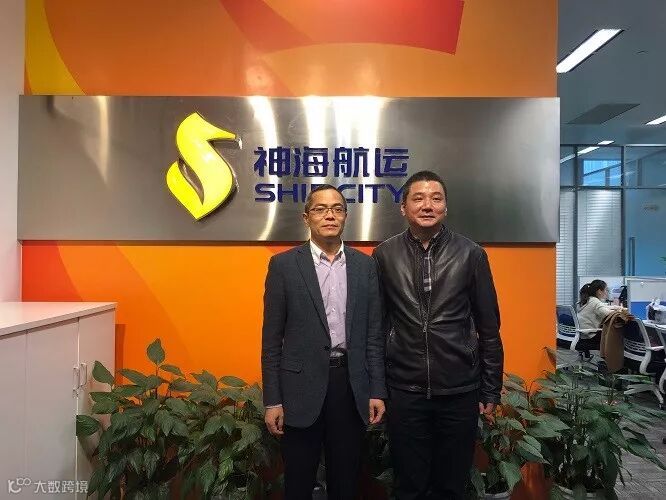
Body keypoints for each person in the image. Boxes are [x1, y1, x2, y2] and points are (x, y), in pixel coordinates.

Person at [373, 170, 503, 500]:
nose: (427, 205)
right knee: (409, 485)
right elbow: (376, 327)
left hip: (459, 388)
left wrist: (491, 388)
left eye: (436, 198)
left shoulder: (471, 254)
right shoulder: (384, 254)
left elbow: (489, 328)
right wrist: (377, 386)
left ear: (446, 207)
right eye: (418, 198)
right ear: (403, 207)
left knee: (452, 485)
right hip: (404, 389)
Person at [261, 184, 387, 500]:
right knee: (298, 482)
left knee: (346, 481)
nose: (329, 215)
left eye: (337, 208)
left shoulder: (365, 266)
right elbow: (272, 341)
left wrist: (376, 390)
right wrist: (273, 400)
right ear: (306, 217)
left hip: (350, 384)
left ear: (345, 216)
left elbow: (374, 335)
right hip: (299, 388)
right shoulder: (284, 266)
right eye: (320, 209)